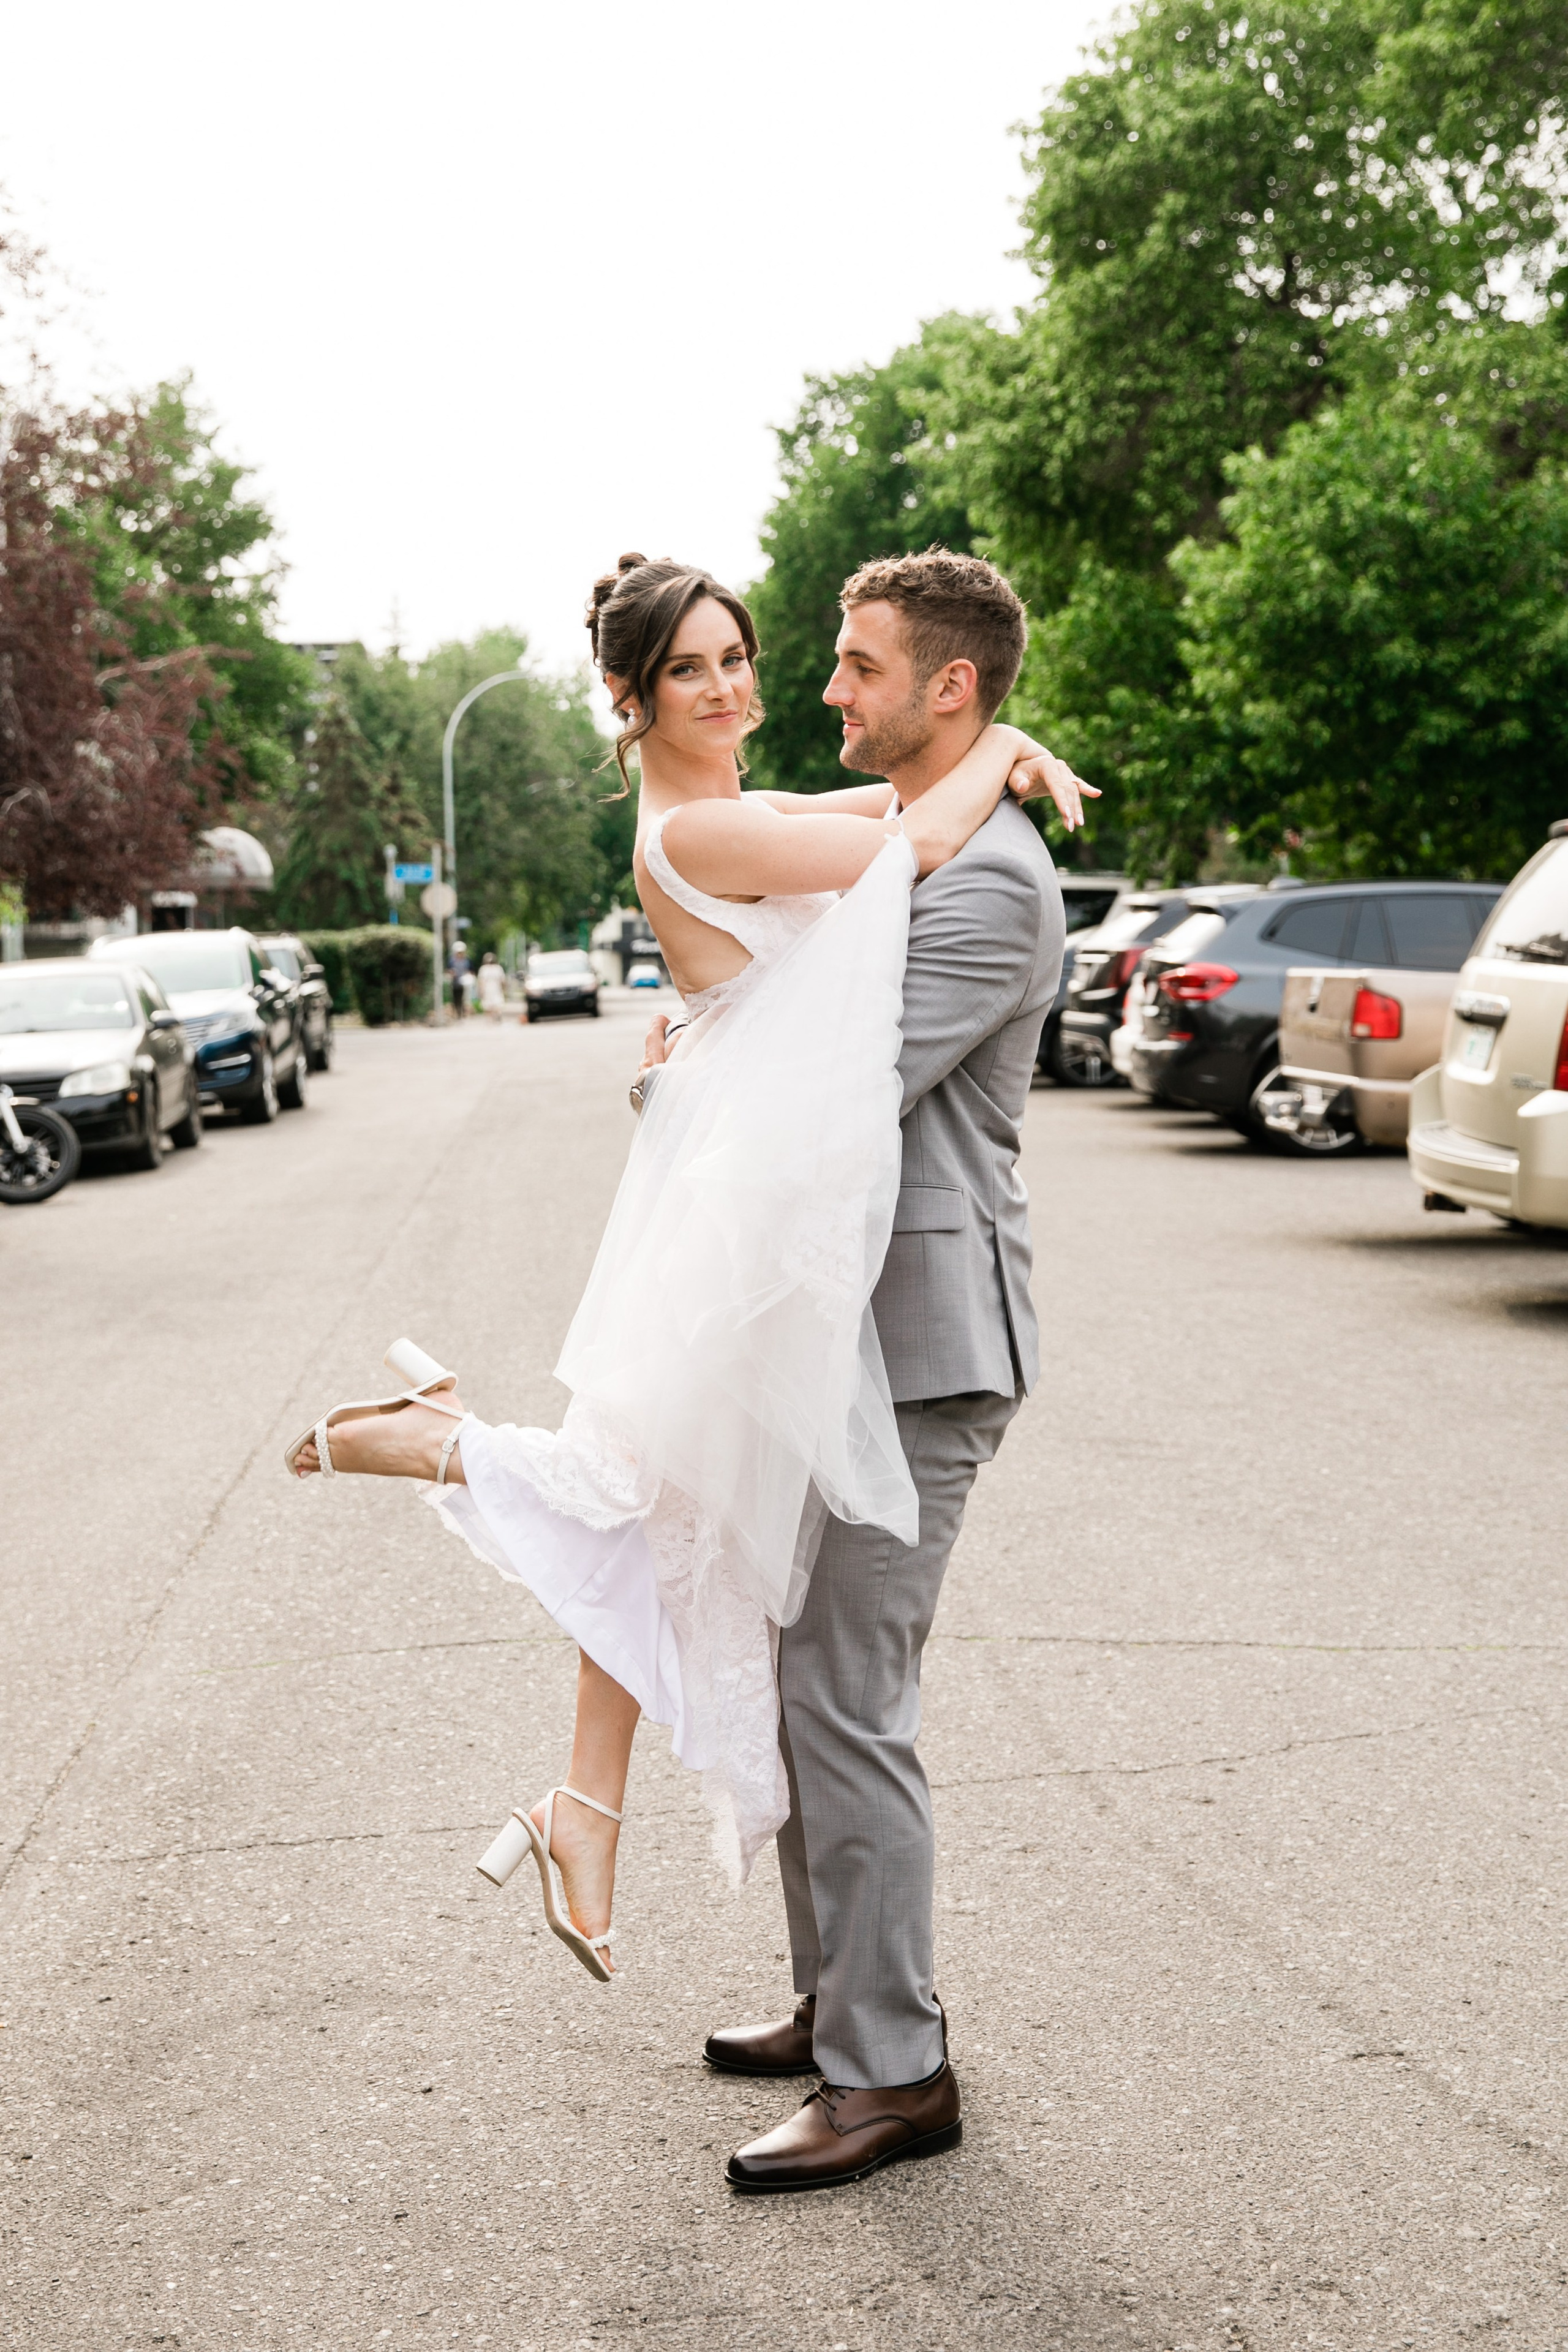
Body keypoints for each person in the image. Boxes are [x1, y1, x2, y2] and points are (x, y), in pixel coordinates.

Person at [284, 551, 1087, 2192]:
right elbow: (783, 1008)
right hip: (818, 1333)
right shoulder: (868, 836)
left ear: (951, 688)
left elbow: (837, 1078)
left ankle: (893, 2073)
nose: (811, 689)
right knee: (792, 1677)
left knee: (844, 1703)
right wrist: (703, 1051)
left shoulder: (990, 879)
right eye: (736, 662)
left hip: (921, 1351)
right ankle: (838, 2003)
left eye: (852, 667)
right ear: (638, 693)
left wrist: (703, 1060)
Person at [477, 952, 507, 1022]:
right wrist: (504, 989)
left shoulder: (483, 969)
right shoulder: (498, 968)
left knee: (488, 1005)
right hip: (496, 989)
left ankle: (490, 1020)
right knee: (497, 1003)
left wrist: (481, 991)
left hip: (488, 989)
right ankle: (497, 1015)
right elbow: (503, 981)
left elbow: (481, 981)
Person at [448, 940, 472, 1017]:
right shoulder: (451, 961)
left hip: (465, 983)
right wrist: (452, 973)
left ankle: (463, 1013)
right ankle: (457, 1013)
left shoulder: (467, 961)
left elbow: (470, 970)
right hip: (455, 983)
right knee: (455, 999)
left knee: (465, 999)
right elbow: (448, 969)